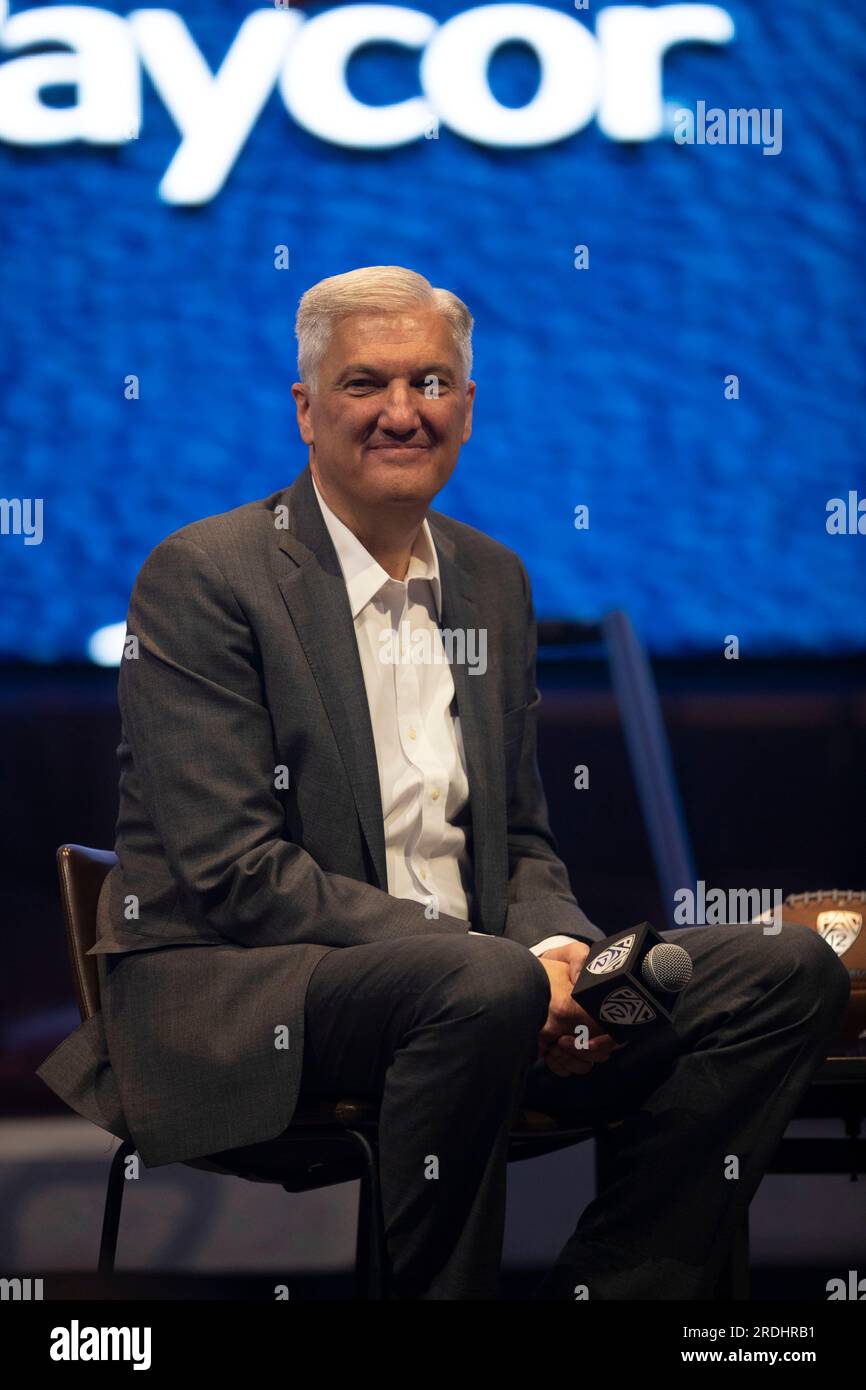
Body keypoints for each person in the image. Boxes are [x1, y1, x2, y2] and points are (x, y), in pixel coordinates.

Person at [36, 266, 850, 1299]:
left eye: (429, 383)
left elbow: (518, 843)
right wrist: (492, 961)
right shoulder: (206, 576)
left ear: (466, 407)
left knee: (782, 970)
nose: (399, 412)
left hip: (481, 988)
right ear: (305, 410)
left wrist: (559, 956)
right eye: (364, 383)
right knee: (481, 981)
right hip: (250, 985)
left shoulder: (491, 580)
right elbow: (232, 871)